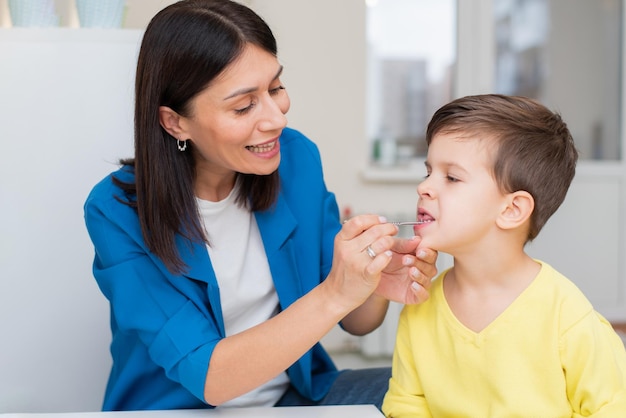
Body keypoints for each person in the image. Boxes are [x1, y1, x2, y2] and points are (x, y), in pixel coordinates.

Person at [83, 0, 437, 411]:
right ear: (175, 122)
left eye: (275, 88)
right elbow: (210, 378)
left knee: (437, 388)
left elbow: (356, 322)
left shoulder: (296, 159)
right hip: (179, 409)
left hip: (295, 397)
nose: (276, 118)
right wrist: (336, 294)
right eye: (243, 105)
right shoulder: (116, 211)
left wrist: (374, 281)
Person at [382, 94, 626, 417]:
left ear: (512, 210)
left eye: (451, 177)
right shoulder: (419, 308)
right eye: (428, 172)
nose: (424, 187)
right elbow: (407, 405)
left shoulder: (567, 316)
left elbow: (612, 409)